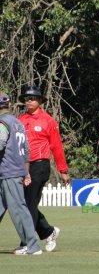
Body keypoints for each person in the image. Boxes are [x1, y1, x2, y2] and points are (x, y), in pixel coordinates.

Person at [17, 86, 70, 253]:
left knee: (30, 203)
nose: (28, 101)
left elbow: (57, 147)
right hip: (23, 166)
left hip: (40, 165)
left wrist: (63, 170)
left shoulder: (48, 121)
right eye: (26, 98)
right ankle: (49, 231)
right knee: (25, 204)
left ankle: (27, 243)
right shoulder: (20, 120)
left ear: (40, 101)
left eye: (32, 98)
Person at [0, 92, 42, 255]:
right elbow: (26, 150)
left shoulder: (2, 123)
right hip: (13, 170)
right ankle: (29, 243)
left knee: (18, 209)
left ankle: (32, 245)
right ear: (9, 105)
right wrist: (26, 172)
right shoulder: (17, 122)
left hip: (8, 171)